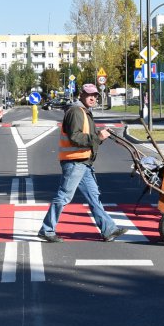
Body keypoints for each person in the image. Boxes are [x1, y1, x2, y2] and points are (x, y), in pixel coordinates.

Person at [38, 83, 128, 243]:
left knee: (94, 196)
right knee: (64, 196)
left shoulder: (84, 112)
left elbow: (88, 137)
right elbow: (75, 137)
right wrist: (98, 137)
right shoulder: (76, 112)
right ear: (81, 95)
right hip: (74, 161)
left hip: (83, 162)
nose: (93, 98)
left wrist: (99, 136)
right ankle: (47, 229)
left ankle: (108, 229)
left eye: (95, 95)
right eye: (89, 95)